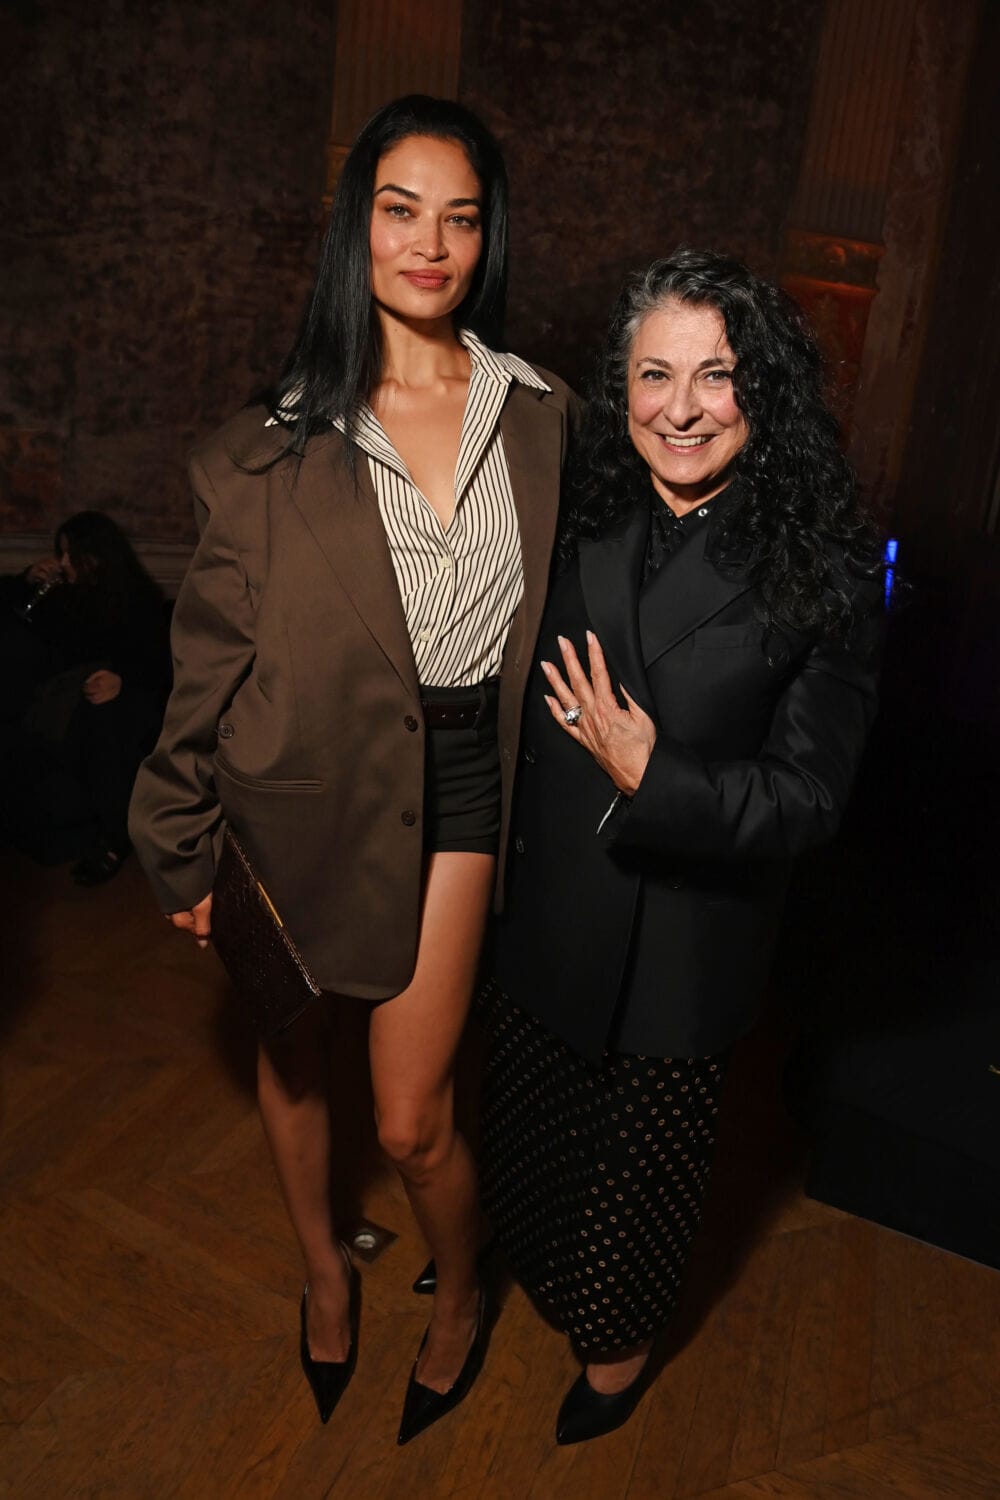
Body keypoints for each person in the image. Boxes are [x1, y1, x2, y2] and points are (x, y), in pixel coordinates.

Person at [128, 95, 576, 1444]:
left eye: (460, 216)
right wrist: (178, 843)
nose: (429, 243)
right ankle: (326, 1277)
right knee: (292, 1053)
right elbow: (204, 665)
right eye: (399, 209)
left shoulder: (543, 416)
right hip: (291, 797)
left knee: (411, 1118)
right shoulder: (266, 450)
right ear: (357, 227)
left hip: (465, 780)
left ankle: (460, 1295)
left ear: (487, 238)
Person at [477, 249, 883, 1444]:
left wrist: (657, 779)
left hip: (677, 948)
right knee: (529, 1132)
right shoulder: (578, 509)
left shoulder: (825, 566)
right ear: (621, 385)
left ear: (766, 389)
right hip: (546, 905)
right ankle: (516, 1259)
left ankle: (615, 1358)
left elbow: (809, 798)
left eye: (718, 375)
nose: (683, 408)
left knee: (633, 1186)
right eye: (655, 374)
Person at [0, 510, 169, 881]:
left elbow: (159, 663)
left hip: (126, 698)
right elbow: (21, 622)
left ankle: (114, 838)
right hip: (68, 694)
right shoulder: (66, 596)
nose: (63, 563)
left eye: (70, 554)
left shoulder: (137, 600)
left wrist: (123, 680)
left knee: (107, 719)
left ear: (95, 557)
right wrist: (26, 580)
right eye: (60, 553)